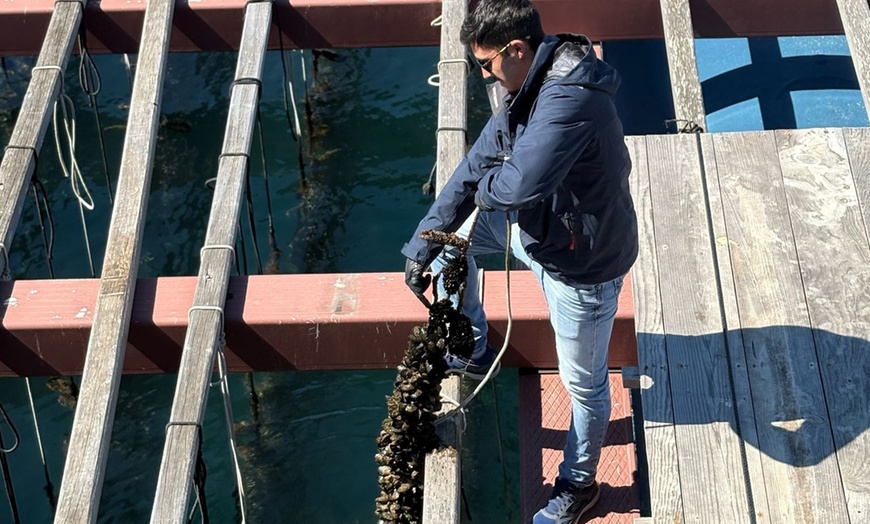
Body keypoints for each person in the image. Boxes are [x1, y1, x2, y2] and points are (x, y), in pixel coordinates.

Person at [402, 0, 638, 521]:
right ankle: (476, 346)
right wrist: (426, 238)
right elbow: (478, 164)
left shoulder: (569, 99)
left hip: (584, 268)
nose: (481, 74)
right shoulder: (524, 86)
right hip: (539, 233)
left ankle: (579, 486)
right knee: (449, 248)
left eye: (485, 64)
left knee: (586, 387)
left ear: (517, 49)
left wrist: (487, 190)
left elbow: (512, 186)